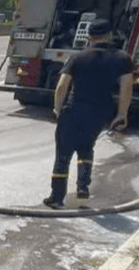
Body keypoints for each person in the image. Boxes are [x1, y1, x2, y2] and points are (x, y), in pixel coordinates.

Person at [43, 18, 134, 208]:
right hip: (99, 112)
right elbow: (126, 88)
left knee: (63, 153)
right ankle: (83, 189)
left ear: (89, 36)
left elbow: (62, 86)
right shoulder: (122, 58)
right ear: (108, 35)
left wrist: (57, 109)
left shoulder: (77, 57)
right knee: (86, 148)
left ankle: (57, 197)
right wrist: (121, 114)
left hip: (74, 109)